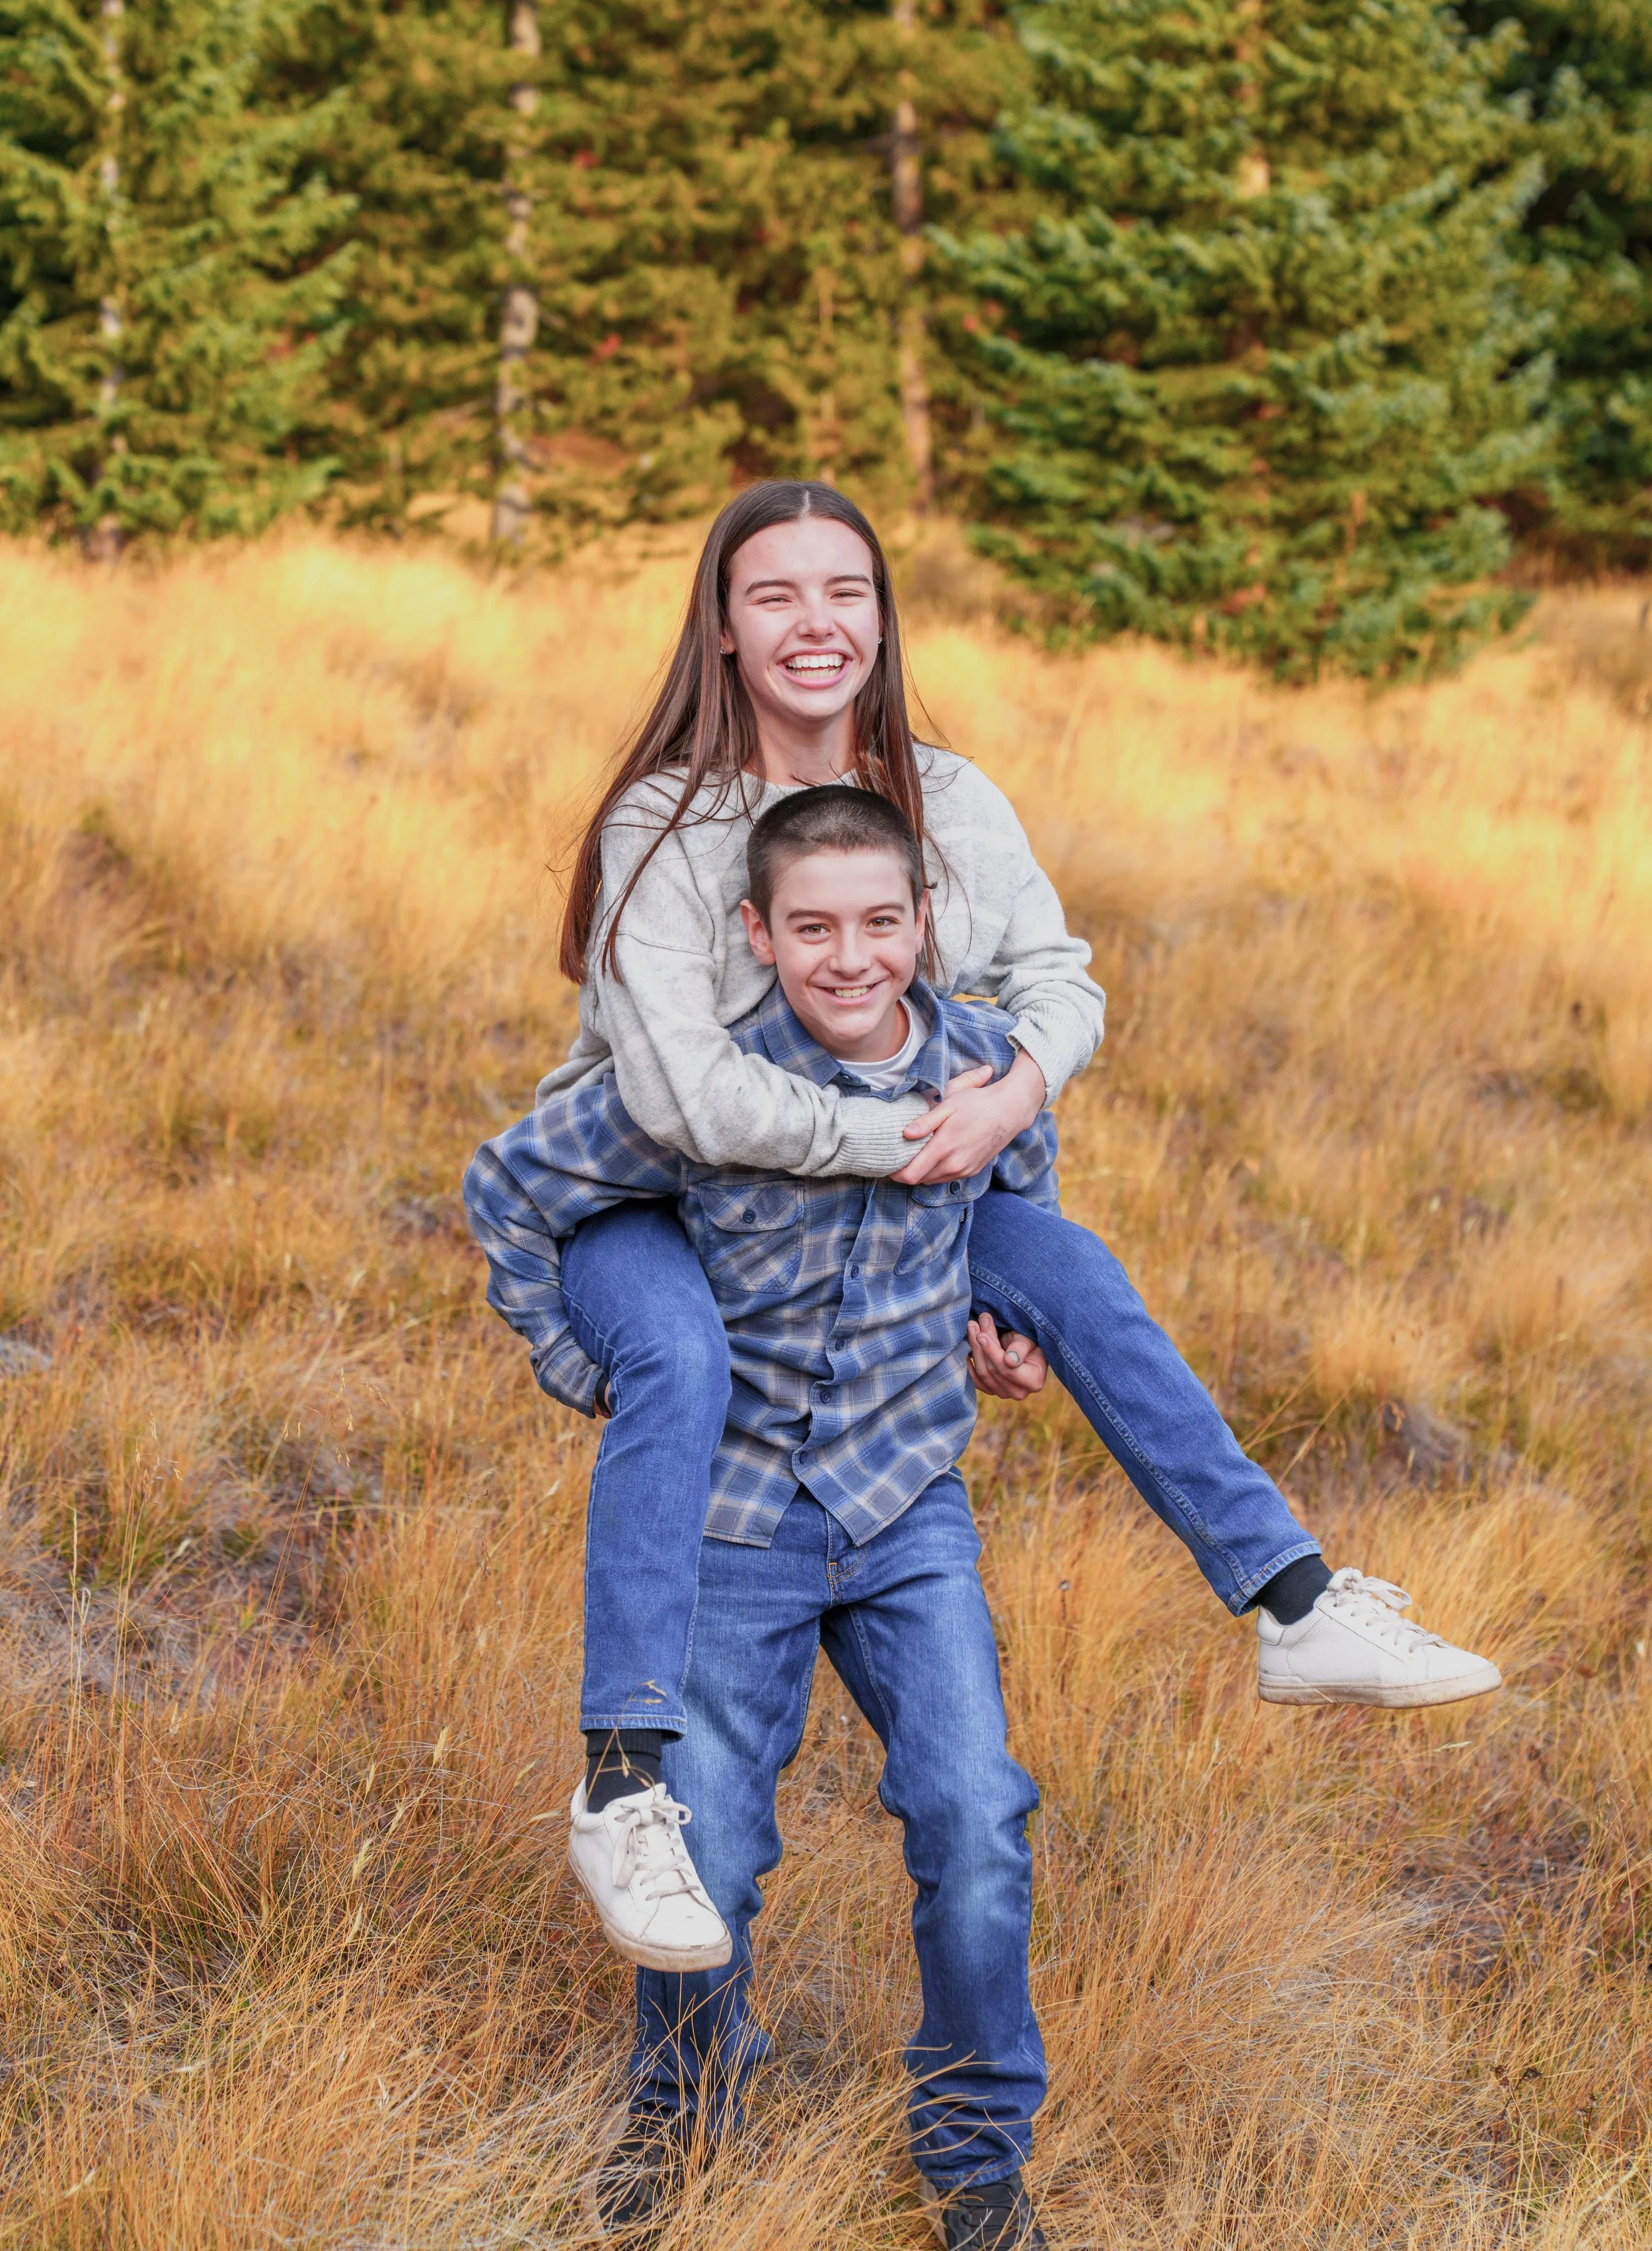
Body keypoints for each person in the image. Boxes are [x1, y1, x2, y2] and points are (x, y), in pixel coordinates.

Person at [523, 478, 1499, 1862]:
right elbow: (680, 1095)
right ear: (723, 628)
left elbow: (1055, 980)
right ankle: (623, 1782)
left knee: (1065, 1270)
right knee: (679, 1359)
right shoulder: (667, 823)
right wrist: (931, 1138)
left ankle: (1293, 1602)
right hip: (662, 1197)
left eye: (845, 590)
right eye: (776, 594)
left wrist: (1016, 1103)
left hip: (876, 1198)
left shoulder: (950, 801)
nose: (816, 623)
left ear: (882, 614)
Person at [467, 787, 1068, 2246]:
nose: (848, 955)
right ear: (755, 932)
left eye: (879, 922)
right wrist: (578, 1357)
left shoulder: (983, 1073)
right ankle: (679, 2125)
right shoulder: (703, 1088)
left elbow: (1018, 1224)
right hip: (736, 1513)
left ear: (926, 927)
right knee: (707, 1853)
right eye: (811, 926)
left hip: (905, 1499)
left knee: (974, 1815)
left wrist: (1006, 1337)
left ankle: (975, 2157)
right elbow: (510, 1184)